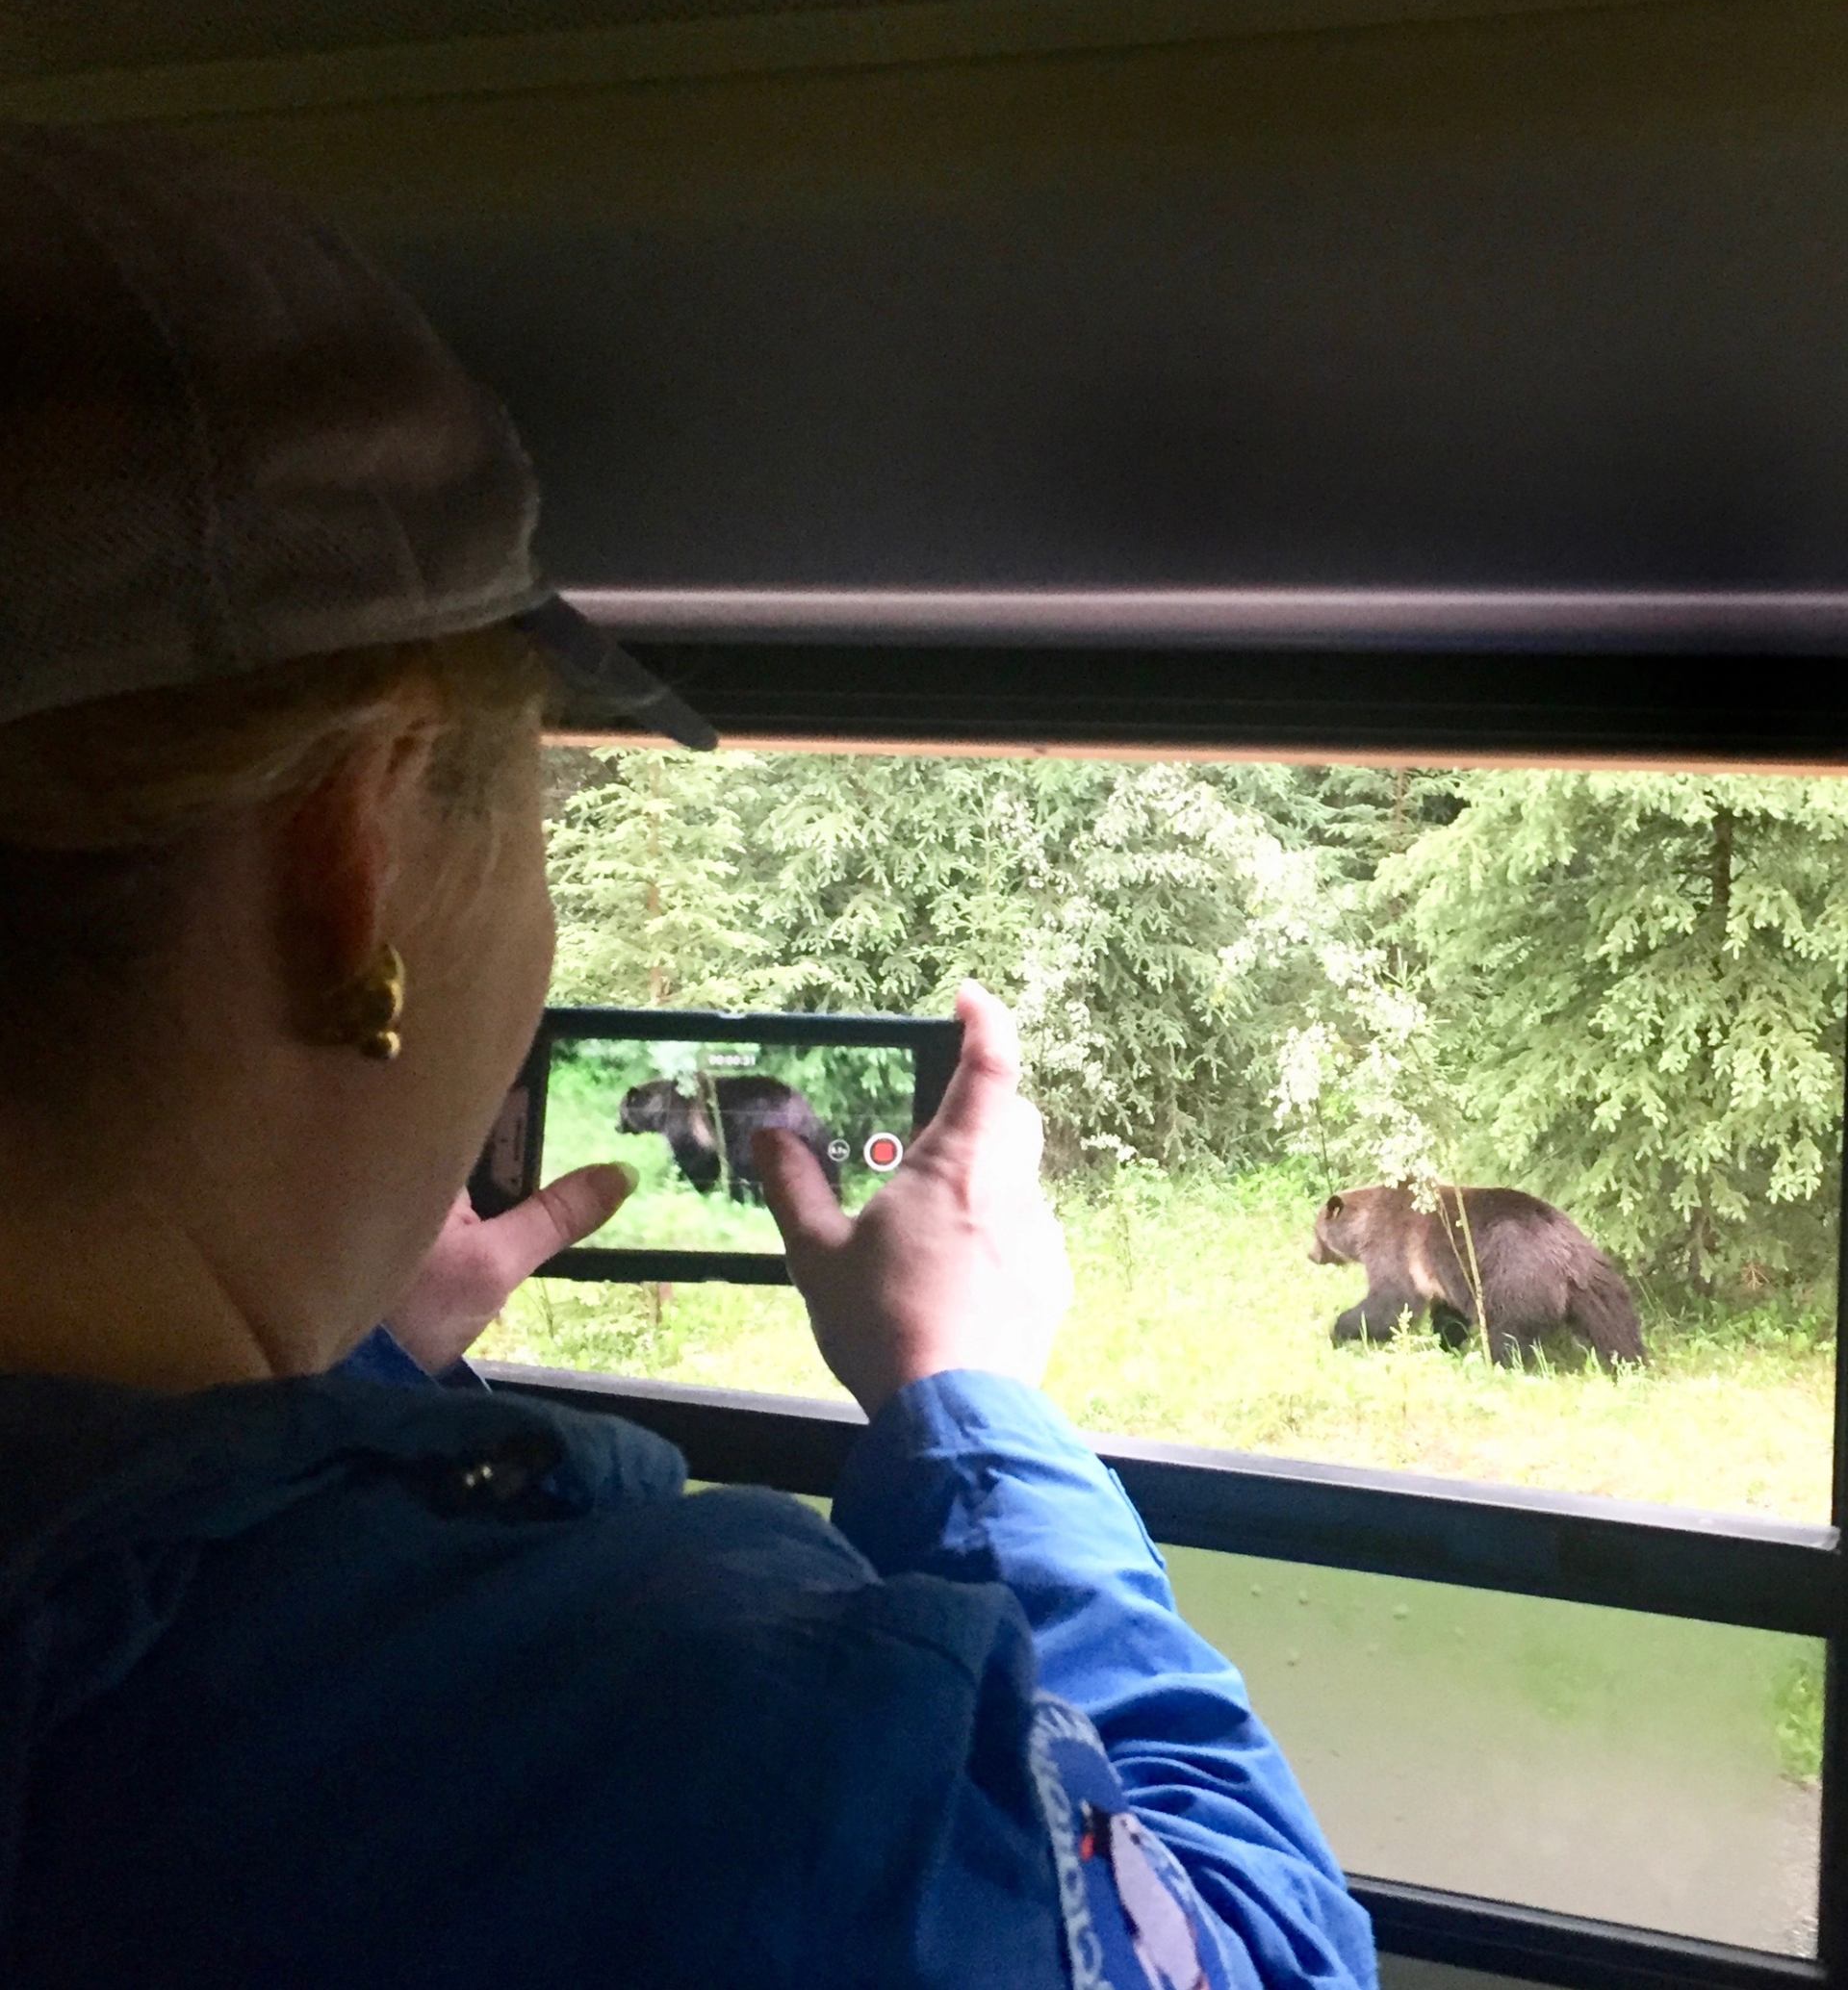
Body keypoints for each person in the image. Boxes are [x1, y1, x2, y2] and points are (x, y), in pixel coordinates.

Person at [0, 123, 1376, 1989]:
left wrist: (348, 1371)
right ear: (358, 847)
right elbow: (1268, 1953)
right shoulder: (707, 1751)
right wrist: (969, 1402)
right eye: (540, 794)